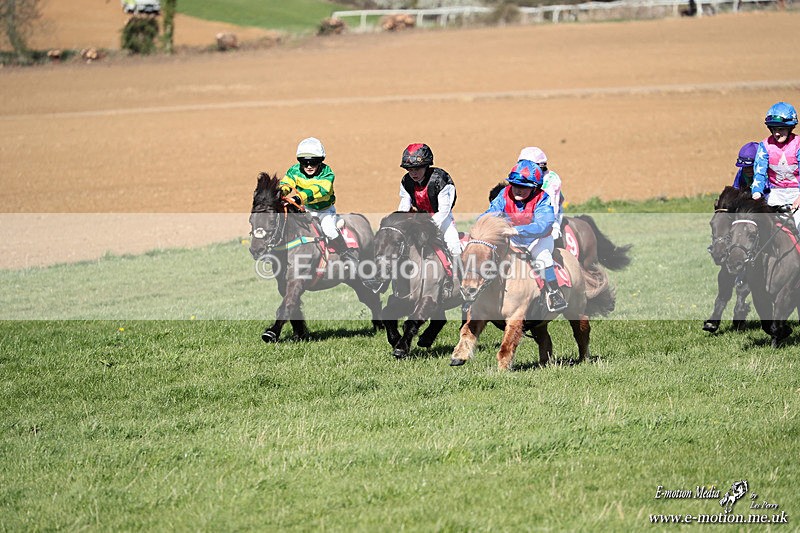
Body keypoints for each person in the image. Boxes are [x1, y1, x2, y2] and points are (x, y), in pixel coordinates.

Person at [483, 159, 568, 313]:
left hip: (538, 239)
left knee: (543, 258)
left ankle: (554, 292)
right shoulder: (504, 193)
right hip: (513, 239)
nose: (518, 190)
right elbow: (492, 211)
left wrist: (517, 230)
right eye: (515, 185)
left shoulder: (543, 198)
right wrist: (484, 223)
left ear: (534, 187)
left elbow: (543, 225)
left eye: (524, 187)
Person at [280, 137, 357, 263]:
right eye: (304, 162)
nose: (309, 166)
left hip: (324, 211)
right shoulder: (294, 170)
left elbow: (320, 190)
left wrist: (298, 198)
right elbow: (286, 184)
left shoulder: (327, 173)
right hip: (306, 209)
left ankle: (346, 254)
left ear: (320, 161)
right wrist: (280, 192)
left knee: (329, 230)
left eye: (313, 162)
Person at [398, 142, 462, 264]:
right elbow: (404, 206)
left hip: (442, 219)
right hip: (419, 218)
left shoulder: (440, 179)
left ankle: (459, 277)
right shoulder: (406, 181)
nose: (413, 173)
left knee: (453, 244)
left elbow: (444, 210)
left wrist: (427, 226)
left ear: (426, 166)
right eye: (409, 169)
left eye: (417, 169)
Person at [751, 102, 800, 228]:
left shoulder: (798, 145)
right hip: (775, 194)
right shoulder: (764, 146)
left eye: (781, 129)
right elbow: (759, 174)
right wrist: (756, 193)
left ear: (791, 128)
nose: (777, 133)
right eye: (774, 129)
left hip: (797, 193)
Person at [518, 146, 564, 239]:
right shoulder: (518, 176)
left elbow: (552, 204)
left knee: (553, 236)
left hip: (550, 215)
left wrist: (553, 224)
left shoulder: (551, 179)